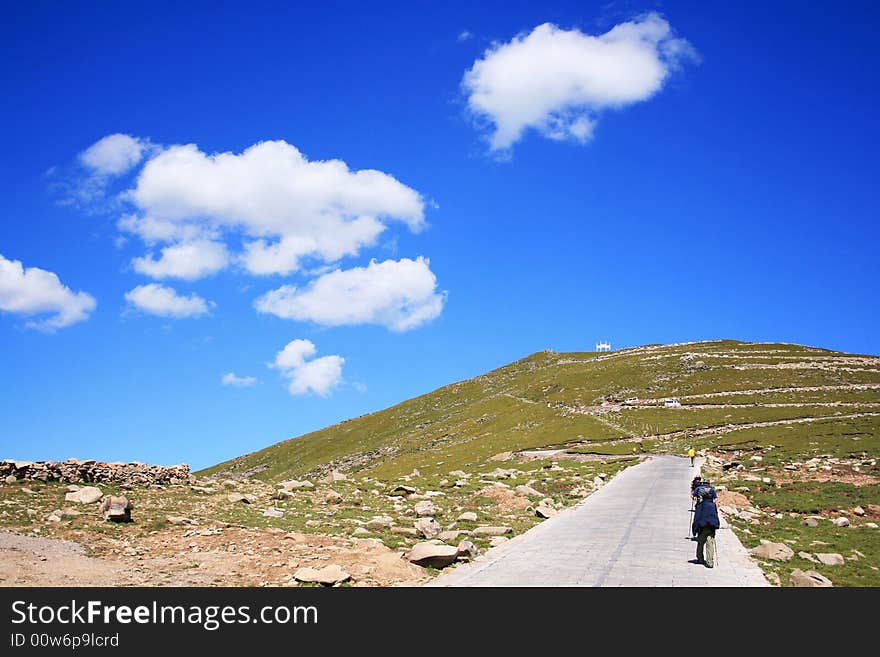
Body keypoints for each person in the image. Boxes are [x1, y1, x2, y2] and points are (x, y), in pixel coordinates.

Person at [692, 485, 720, 568]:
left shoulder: (701, 505)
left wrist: (694, 529)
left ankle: (700, 559)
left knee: (700, 543)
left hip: (702, 526)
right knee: (710, 543)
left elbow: (697, 517)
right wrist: (717, 525)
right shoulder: (713, 505)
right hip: (711, 527)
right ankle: (710, 562)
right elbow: (715, 515)